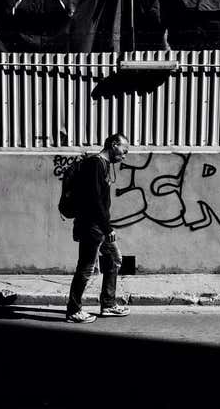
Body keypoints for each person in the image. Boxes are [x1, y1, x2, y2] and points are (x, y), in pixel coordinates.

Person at [66, 133, 131, 323]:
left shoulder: (103, 165)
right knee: (86, 268)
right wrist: (107, 227)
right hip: (91, 226)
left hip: (97, 226)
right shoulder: (95, 164)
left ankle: (108, 304)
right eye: (124, 150)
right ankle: (73, 310)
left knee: (114, 259)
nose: (125, 155)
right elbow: (93, 200)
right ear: (113, 144)